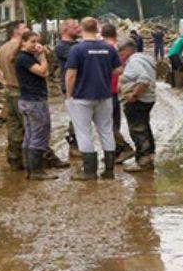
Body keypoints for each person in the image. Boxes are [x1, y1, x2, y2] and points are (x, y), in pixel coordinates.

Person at [65, 17, 122, 180]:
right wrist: (103, 73)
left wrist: (69, 95)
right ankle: (109, 170)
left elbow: (71, 74)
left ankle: (89, 171)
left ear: (82, 29)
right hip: (104, 96)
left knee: (84, 132)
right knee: (106, 130)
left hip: (82, 96)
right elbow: (118, 69)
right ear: (97, 28)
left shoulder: (77, 49)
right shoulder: (108, 48)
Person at [14, 31, 56, 180]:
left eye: (37, 41)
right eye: (32, 41)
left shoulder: (25, 57)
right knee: (39, 134)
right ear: (23, 42)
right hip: (34, 101)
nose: (36, 45)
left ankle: (30, 169)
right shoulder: (24, 58)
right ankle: (37, 171)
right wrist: (43, 56)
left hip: (27, 100)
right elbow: (43, 72)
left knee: (30, 135)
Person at [0, 21, 28, 171]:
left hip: (9, 91)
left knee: (14, 126)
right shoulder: (21, 48)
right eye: (24, 28)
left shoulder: (3, 48)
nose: (28, 29)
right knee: (29, 126)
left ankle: (14, 159)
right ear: (16, 31)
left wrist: (3, 81)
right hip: (22, 91)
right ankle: (34, 161)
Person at [117, 39, 157, 171]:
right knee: (145, 127)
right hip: (147, 99)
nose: (119, 55)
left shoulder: (134, 62)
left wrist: (134, 95)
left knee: (138, 130)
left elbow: (144, 79)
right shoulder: (144, 59)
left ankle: (143, 161)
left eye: (120, 52)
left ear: (127, 50)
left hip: (138, 101)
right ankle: (149, 155)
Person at [101, 23, 136, 163]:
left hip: (105, 90)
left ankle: (123, 148)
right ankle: (114, 152)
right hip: (115, 89)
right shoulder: (117, 49)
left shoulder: (106, 50)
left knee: (106, 124)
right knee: (114, 122)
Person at [55, 19, 82, 154]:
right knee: (76, 115)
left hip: (82, 84)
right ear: (65, 29)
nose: (79, 29)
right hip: (71, 85)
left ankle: (79, 142)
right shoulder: (61, 46)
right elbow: (81, 59)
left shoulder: (78, 44)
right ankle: (74, 144)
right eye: (75, 27)